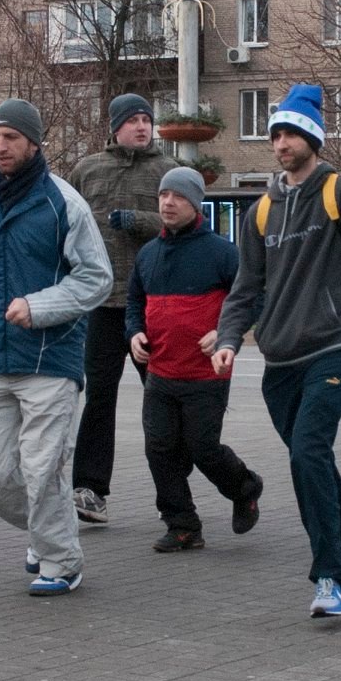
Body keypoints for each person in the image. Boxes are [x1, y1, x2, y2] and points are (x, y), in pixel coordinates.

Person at [212, 84, 341, 619]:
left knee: (307, 454)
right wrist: (228, 340)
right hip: (280, 360)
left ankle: (332, 576)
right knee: (309, 463)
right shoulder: (263, 212)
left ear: (312, 138)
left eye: (291, 133)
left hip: (333, 344)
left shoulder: (338, 191)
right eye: (275, 134)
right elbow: (246, 288)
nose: (280, 143)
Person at [0, 99, 114, 595]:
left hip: (51, 361)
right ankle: (46, 534)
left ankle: (61, 562)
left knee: (42, 472)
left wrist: (37, 306)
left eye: (11, 138)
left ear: (33, 143)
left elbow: (96, 278)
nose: (1, 146)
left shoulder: (64, 204)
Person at [126, 167, 262, 554]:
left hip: (207, 372)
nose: (168, 203)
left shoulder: (222, 252)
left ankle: (245, 487)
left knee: (204, 449)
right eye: (164, 195)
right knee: (159, 448)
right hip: (161, 372)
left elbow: (253, 298)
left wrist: (225, 332)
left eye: (179, 197)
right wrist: (133, 331)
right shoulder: (149, 253)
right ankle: (182, 524)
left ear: (196, 203)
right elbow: (134, 302)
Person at [67, 93, 178, 526]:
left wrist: (138, 220)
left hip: (152, 304)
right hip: (101, 303)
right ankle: (89, 489)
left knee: (163, 400)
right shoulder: (87, 169)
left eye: (146, 120)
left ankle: (174, 492)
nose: (141, 127)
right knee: (99, 397)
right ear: (115, 127)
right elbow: (66, 222)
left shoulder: (166, 171)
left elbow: (183, 222)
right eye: (132, 120)